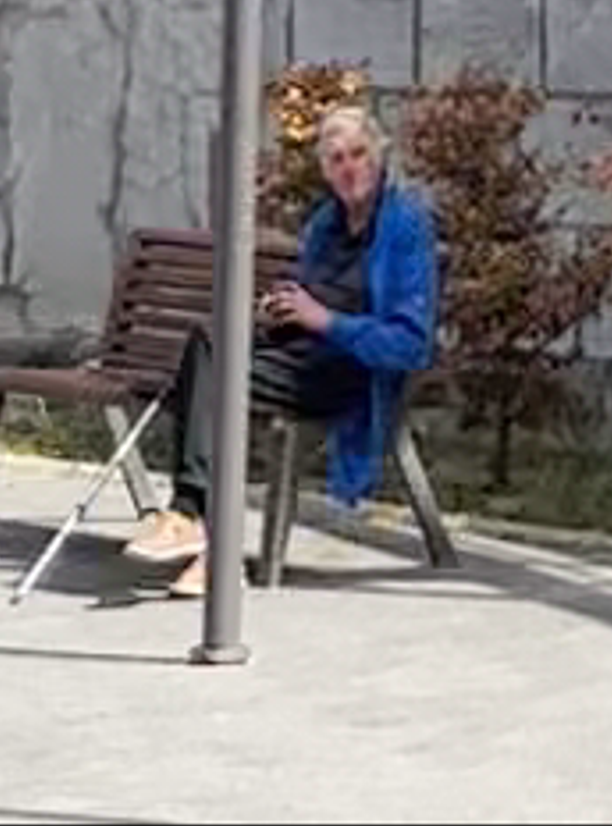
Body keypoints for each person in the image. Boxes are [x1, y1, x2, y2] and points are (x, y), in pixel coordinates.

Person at [123, 96, 442, 567]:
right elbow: (308, 296)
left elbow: (410, 345)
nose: (350, 168)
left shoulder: (405, 228)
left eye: (359, 154)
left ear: (379, 156)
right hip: (304, 356)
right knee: (209, 340)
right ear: (325, 171)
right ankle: (197, 528)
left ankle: (195, 523)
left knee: (208, 377)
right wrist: (281, 310)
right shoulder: (325, 224)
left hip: (354, 374)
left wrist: (323, 320)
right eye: (337, 160)